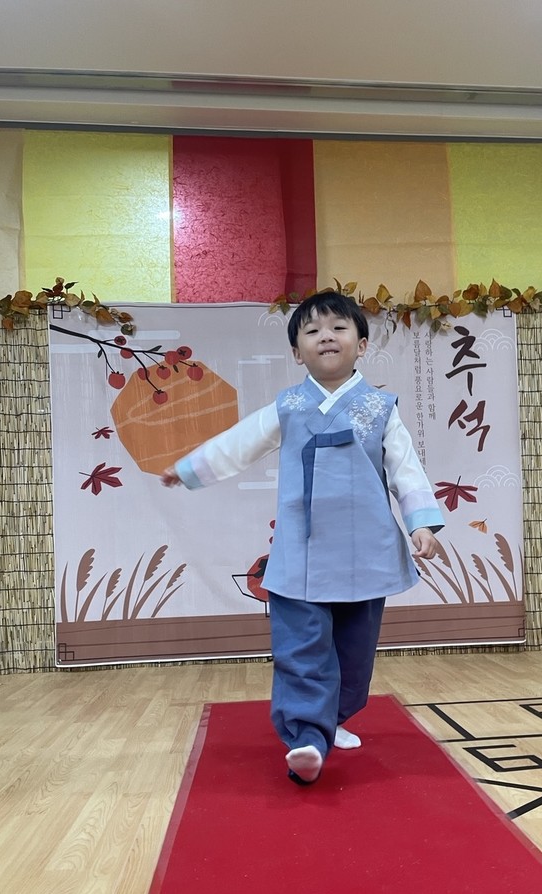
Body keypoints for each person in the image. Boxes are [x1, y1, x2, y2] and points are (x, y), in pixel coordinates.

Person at [161, 291, 444, 785]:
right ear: (297, 352)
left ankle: (333, 719)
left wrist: (420, 522)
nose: (325, 337)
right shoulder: (288, 406)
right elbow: (239, 443)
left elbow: (406, 469)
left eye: (338, 328)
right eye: (312, 331)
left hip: (365, 550)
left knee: (354, 652)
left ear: (362, 344)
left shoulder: (381, 408)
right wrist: (189, 470)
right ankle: (307, 739)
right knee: (301, 647)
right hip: (301, 551)